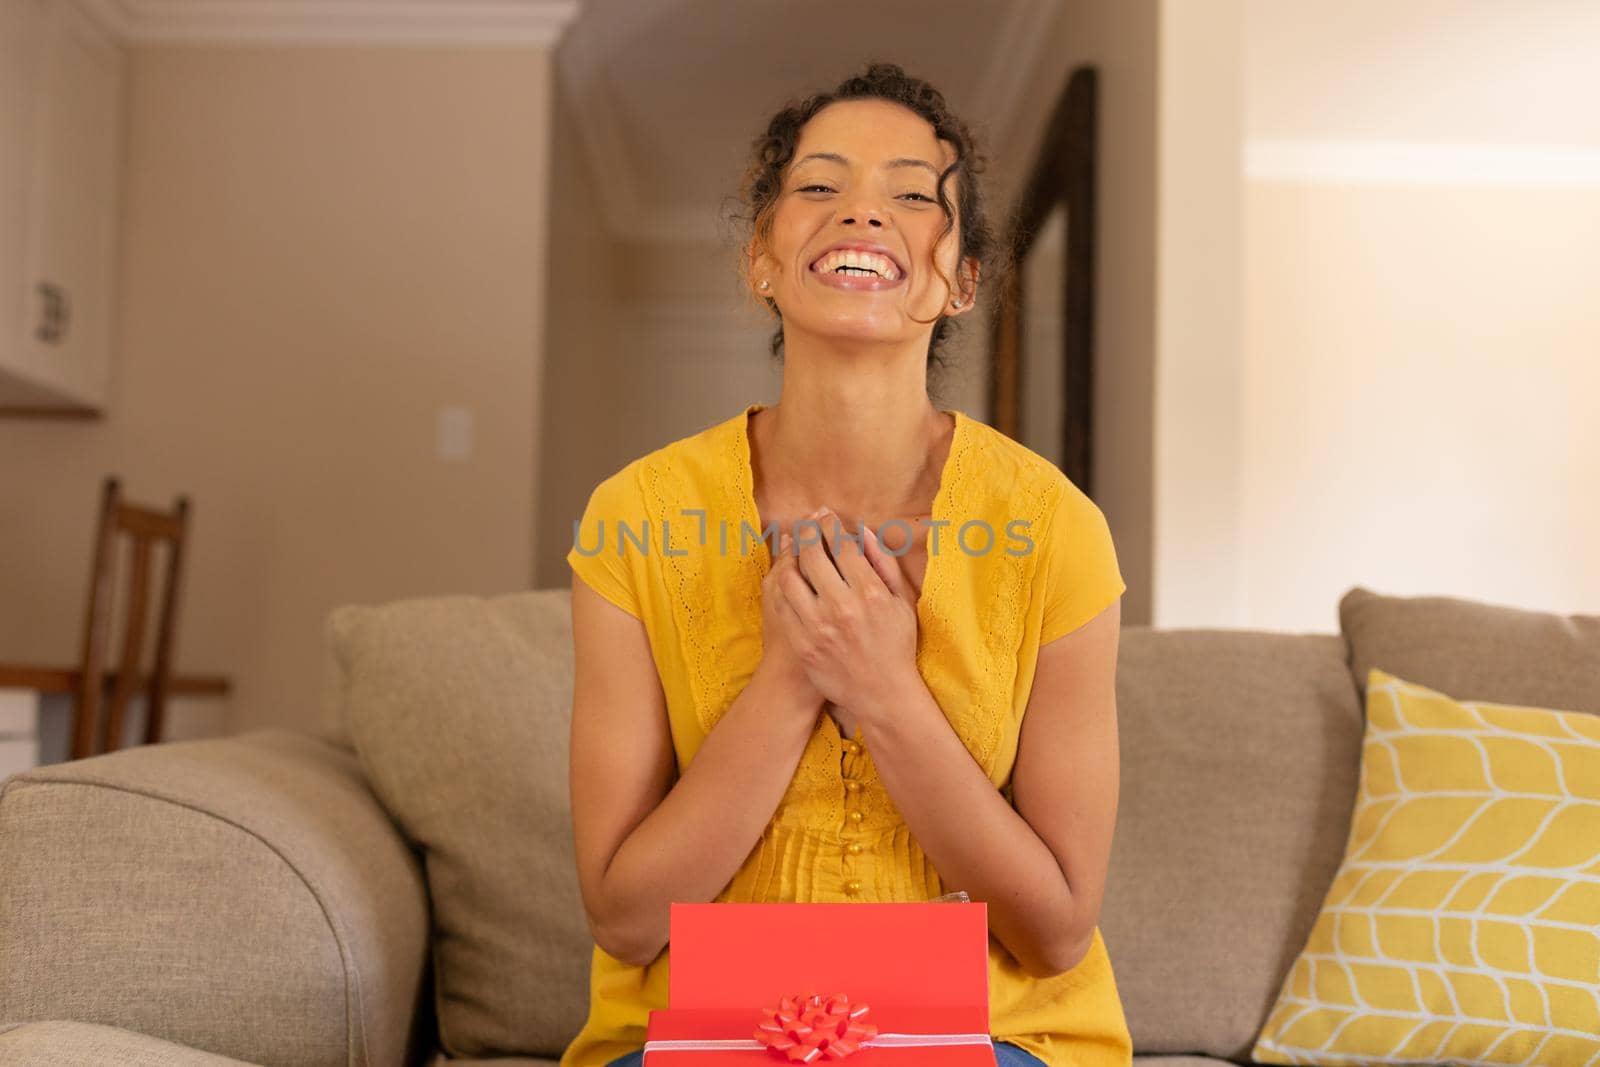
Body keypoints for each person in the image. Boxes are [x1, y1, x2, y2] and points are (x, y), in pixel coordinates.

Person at [561, 62, 1132, 1067]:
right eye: (819, 187)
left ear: (960, 279)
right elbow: (624, 916)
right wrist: (789, 675)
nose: (862, 214)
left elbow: (1054, 932)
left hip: (992, 1037)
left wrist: (880, 688)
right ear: (761, 260)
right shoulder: (633, 519)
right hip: (703, 1033)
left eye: (914, 196)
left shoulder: (1055, 530)